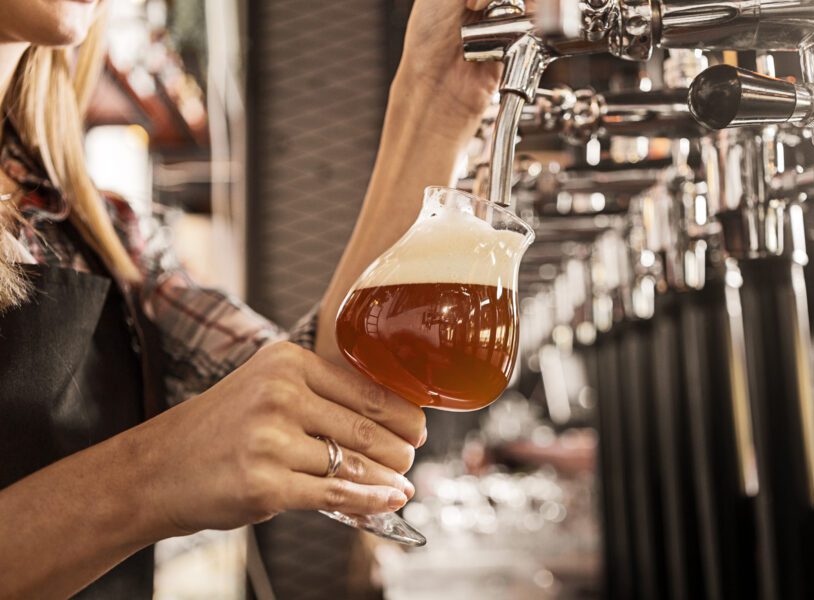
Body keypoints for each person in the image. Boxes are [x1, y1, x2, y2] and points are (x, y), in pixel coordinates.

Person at [0, 0, 502, 597]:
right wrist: (154, 474)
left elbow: (319, 399)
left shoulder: (104, 232)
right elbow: (204, 447)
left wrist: (437, 98)